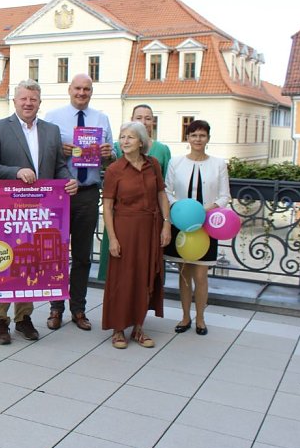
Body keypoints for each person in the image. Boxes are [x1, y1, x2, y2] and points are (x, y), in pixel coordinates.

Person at [0, 80, 78, 343]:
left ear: (39, 102)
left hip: (41, 209)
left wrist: (69, 179)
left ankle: (23, 318)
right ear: (14, 101)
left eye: (33, 99)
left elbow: (59, 166)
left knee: (32, 261)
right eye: (23, 98)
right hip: (7, 211)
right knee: (4, 260)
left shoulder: (51, 130)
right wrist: (15, 172)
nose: (28, 103)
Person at [45, 73, 114, 331]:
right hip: (59, 193)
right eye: (78, 88)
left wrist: (109, 152)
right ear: (69, 89)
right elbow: (43, 153)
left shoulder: (101, 118)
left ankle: (79, 308)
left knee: (83, 255)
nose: (82, 93)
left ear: (91, 91)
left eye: (86, 89)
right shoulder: (52, 117)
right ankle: (55, 308)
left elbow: (112, 159)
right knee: (57, 253)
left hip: (87, 192)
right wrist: (57, 148)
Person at [102, 122, 171, 349]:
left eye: (130, 137)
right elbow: (108, 206)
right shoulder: (115, 170)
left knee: (145, 276)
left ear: (141, 141)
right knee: (123, 278)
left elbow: (162, 195)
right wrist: (112, 238)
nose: (125, 141)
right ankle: (118, 329)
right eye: (122, 137)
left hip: (150, 227)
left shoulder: (153, 165)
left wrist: (166, 225)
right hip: (125, 229)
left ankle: (139, 328)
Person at [165, 120, 230, 336]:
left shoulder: (219, 164)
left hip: (207, 225)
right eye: (193, 135)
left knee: (201, 276)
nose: (198, 139)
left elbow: (224, 196)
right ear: (188, 138)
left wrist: (204, 210)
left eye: (202, 135)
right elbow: (167, 191)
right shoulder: (176, 163)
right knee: (184, 274)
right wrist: (182, 208)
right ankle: (185, 317)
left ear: (208, 138)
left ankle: (201, 318)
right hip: (182, 225)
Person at [98, 104, 171, 280]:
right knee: (120, 273)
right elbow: (107, 169)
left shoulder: (160, 152)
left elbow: (164, 188)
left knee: (145, 273)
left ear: (153, 122)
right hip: (121, 220)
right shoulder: (118, 147)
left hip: (149, 220)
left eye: (148, 118)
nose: (144, 122)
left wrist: (167, 223)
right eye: (139, 118)